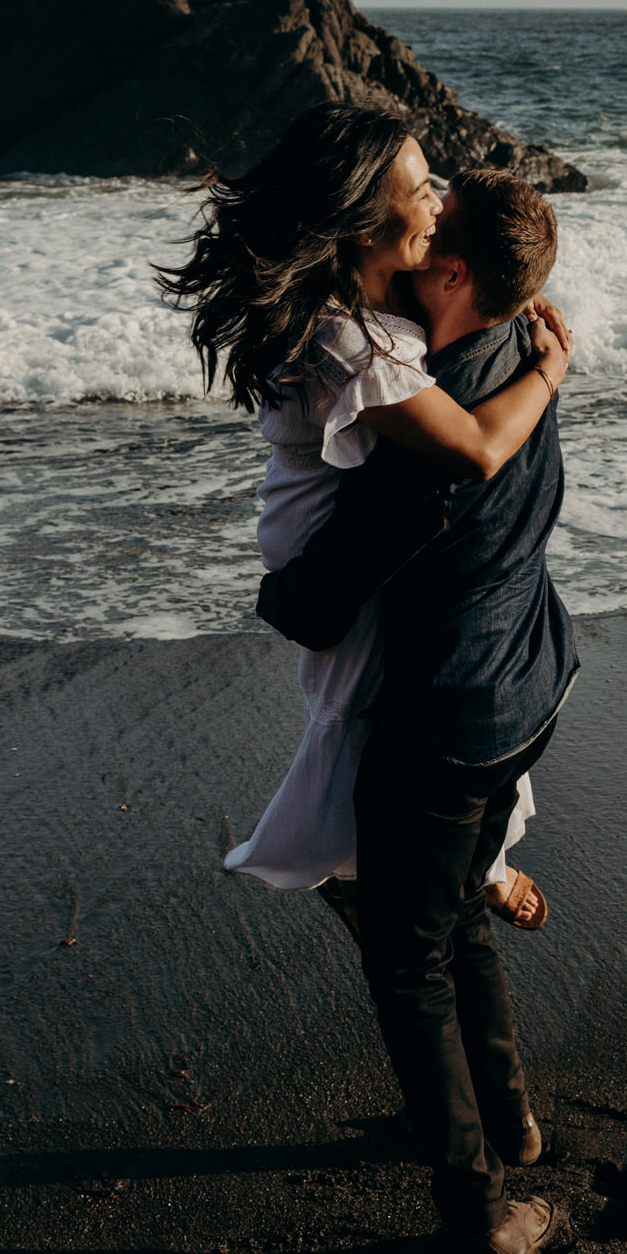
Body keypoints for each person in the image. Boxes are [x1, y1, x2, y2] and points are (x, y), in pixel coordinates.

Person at [257, 167, 578, 1254]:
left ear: (449, 271)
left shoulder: (426, 433)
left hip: (446, 717)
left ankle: (484, 1222)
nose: (424, 212)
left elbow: (318, 594)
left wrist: (282, 599)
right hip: (535, 679)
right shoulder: (510, 361)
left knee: (405, 961)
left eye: (436, 219)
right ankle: (510, 1125)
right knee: (452, 911)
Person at [155, 103, 570, 925]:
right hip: (326, 556)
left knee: (410, 695)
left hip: (361, 550)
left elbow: (468, 305)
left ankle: (472, 860)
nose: (435, 203)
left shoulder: (387, 302)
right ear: (362, 218)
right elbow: (479, 446)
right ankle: (349, 865)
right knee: (353, 724)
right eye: (422, 189)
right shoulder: (346, 341)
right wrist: (552, 369)